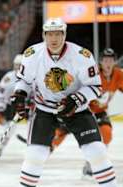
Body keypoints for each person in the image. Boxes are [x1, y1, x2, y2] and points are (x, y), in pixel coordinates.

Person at [10, 18, 119, 187]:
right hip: (44, 110)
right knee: (36, 154)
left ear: (64, 35)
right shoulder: (32, 54)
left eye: (58, 34)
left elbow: (95, 87)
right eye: (50, 34)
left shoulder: (81, 56)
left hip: (76, 110)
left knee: (96, 150)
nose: (54, 38)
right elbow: (24, 81)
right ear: (44, 35)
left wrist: (76, 99)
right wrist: (20, 95)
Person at [51, 48, 123, 177]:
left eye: (111, 60)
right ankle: (40, 153)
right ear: (100, 62)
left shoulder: (118, 75)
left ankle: (91, 163)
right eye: (105, 60)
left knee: (107, 134)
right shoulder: (93, 74)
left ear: (115, 62)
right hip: (82, 111)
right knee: (59, 134)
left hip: (100, 111)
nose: (108, 63)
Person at [0, 54, 24, 157]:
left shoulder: (28, 77)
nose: (17, 67)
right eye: (16, 65)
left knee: (12, 128)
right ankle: (0, 146)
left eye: (20, 65)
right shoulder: (8, 77)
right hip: (8, 107)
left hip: (21, 106)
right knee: (9, 128)